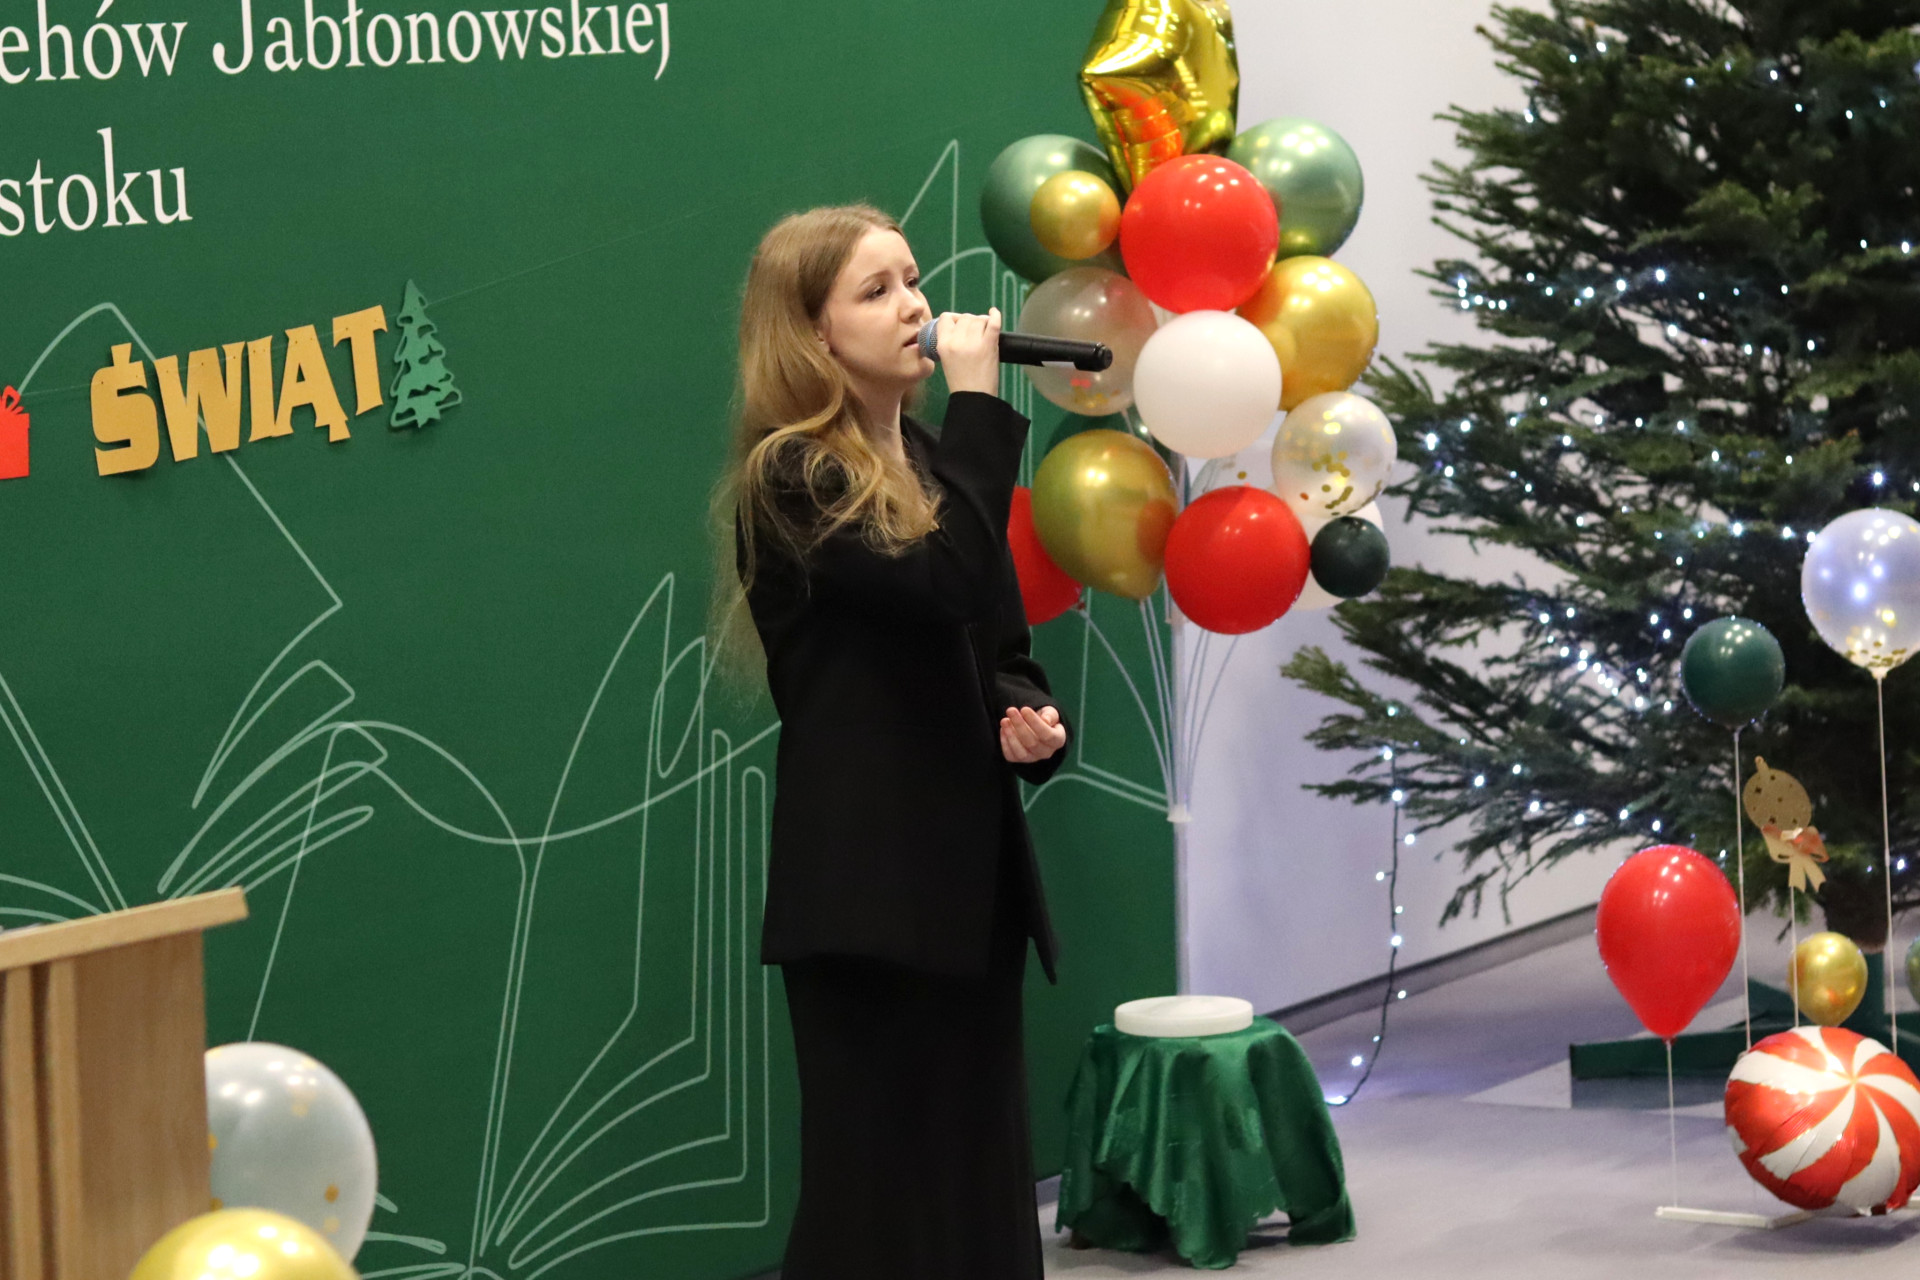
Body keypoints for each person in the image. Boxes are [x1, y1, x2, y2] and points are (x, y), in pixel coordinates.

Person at [718, 203, 1071, 1280]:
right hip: (869, 893)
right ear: (813, 334)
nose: (916, 306)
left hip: (968, 879)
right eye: (876, 291)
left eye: (912, 278)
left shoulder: (925, 455)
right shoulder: (792, 476)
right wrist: (982, 404)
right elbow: (944, 580)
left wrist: (1028, 720)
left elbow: (996, 638)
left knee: (978, 1179)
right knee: (878, 1192)